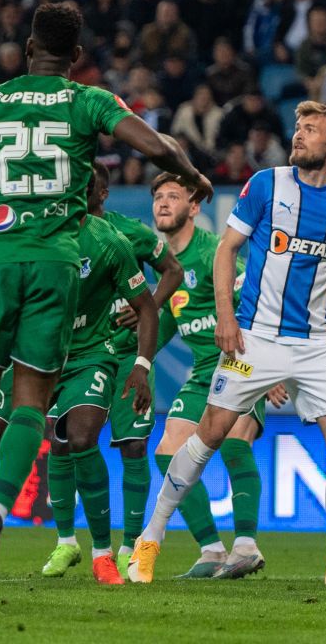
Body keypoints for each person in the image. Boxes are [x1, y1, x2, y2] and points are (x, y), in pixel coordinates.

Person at [0, 2, 212, 591]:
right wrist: (194, 175)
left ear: (27, 48)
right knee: (32, 399)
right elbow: (154, 147)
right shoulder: (89, 100)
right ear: (76, 56)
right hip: (56, 262)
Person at [129, 101, 326, 588]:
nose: (299, 135)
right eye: (298, 127)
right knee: (210, 432)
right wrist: (227, 317)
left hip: (317, 341)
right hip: (257, 336)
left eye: (311, 129)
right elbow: (227, 249)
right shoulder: (266, 184)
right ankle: (151, 538)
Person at [147, 171, 271, 580]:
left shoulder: (214, 252)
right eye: (158, 196)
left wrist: (271, 367)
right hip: (204, 370)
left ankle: (246, 546)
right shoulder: (167, 266)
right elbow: (166, 322)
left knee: (235, 441)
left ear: (194, 207)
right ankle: (213, 550)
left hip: (241, 361)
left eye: (173, 195)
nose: (163, 202)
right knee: (168, 451)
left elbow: (253, 302)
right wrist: (134, 360)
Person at [38, 200, 159, 586]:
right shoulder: (37, 230)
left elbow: (165, 280)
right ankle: (66, 542)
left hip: (104, 354)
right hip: (52, 356)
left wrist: (142, 363)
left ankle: (118, 549)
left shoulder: (118, 237)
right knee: (57, 440)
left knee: (113, 442)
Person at [85, 163, 183, 574]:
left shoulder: (130, 232)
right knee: (73, 441)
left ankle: (129, 545)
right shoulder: (62, 235)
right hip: (84, 353)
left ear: (102, 193)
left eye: (86, 185)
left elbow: (174, 270)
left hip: (128, 354)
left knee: (134, 446)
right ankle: (69, 541)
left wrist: (149, 307)